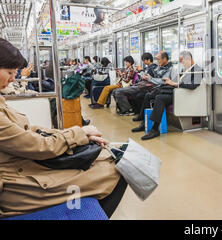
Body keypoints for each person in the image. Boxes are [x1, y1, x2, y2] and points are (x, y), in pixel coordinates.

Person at [0, 38, 127, 218]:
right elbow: (39, 147)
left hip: (22, 168)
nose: (14, 78)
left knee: (107, 160)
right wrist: (78, 133)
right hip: (17, 186)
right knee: (118, 169)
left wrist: (74, 132)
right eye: (10, 72)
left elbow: (26, 131)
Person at [136, 51, 203, 140]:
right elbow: (178, 82)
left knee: (159, 98)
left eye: (182, 60)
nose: (181, 63)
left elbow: (193, 86)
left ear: (188, 59)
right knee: (149, 95)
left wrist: (175, 84)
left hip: (183, 94)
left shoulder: (198, 70)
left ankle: (155, 129)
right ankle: (145, 123)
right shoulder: (185, 70)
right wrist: (170, 82)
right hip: (178, 92)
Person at [131, 51, 174, 121]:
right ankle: (143, 117)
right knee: (145, 95)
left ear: (165, 59)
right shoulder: (160, 67)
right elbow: (155, 77)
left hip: (164, 89)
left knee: (147, 95)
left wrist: (150, 78)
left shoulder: (170, 69)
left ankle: (145, 119)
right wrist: (147, 76)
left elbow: (163, 81)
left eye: (159, 59)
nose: (157, 61)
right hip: (156, 87)